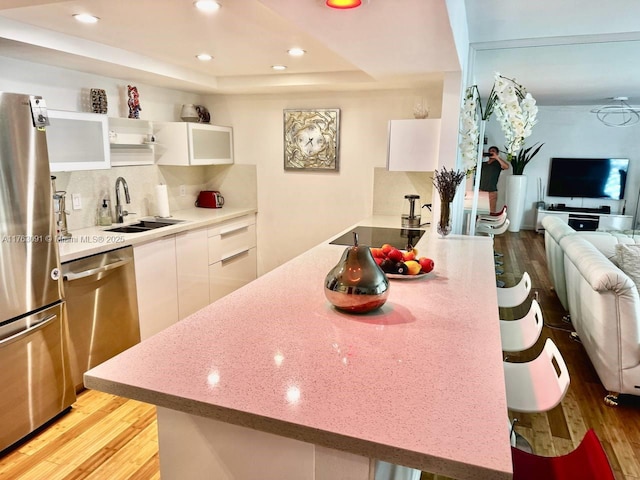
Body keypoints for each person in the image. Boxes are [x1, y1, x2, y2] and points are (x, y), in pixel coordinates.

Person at [479, 146, 510, 213]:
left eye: (493, 151)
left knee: (491, 212)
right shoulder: (483, 164)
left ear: (497, 153)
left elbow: (507, 166)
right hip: (481, 191)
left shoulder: (498, 164)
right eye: (490, 151)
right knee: (480, 211)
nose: (491, 152)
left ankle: (490, 223)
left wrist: (497, 157)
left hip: (492, 192)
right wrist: (480, 157)